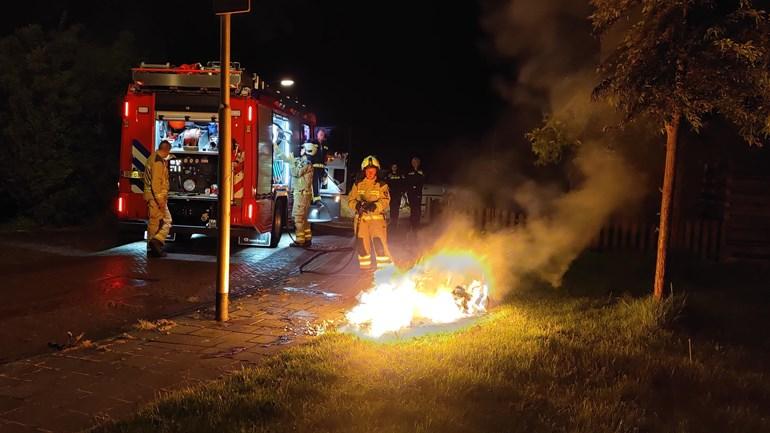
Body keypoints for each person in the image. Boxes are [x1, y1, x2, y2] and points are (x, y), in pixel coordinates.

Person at [348, 156, 393, 270]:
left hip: (377, 222)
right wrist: (357, 206)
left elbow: (385, 201)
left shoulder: (382, 185)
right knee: (362, 249)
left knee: (380, 248)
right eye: (367, 170)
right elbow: (351, 200)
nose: (370, 173)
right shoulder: (358, 184)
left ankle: (383, 274)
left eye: (372, 170)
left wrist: (375, 206)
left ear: (376, 170)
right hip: (361, 222)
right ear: (364, 171)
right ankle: (365, 273)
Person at [275, 141, 314, 247]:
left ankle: (300, 240)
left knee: (298, 217)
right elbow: (286, 159)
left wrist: (292, 163)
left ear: (306, 151)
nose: (300, 150)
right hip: (303, 194)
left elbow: (296, 172)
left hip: (302, 195)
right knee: (304, 218)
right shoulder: (302, 162)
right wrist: (276, 147)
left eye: (302, 149)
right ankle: (307, 239)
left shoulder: (307, 164)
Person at [144, 140, 173, 257]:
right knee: (167, 220)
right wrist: (160, 200)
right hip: (156, 198)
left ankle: (152, 248)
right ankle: (156, 242)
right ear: (165, 150)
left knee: (154, 222)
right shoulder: (158, 162)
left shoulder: (153, 158)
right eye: (168, 152)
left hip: (153, 197)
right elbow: (156, 183)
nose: (168, 154)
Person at [309, 128, 329, 203]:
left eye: (323, 135)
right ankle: (315, 199)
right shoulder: (312, 142)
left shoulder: (325, 145)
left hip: (322, 167)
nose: (322, 136)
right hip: (314, 167)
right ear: (317, 134)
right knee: (315, 183)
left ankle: (316, 197)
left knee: (320, 183)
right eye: (320, 134)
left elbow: (326, 155)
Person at [406, 156, 425, 230]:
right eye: (413, 162)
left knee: (417, 209)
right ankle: (412, 225)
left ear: (419, 163)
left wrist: (417, 187)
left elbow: (422, 180)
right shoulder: (409, 171)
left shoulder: (421, 171)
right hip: (411, 193)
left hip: (418, 193)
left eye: (416, 162)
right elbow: (407, 181)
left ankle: (417, 225)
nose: (415, 163)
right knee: (412, 209)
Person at [385, 162, 406, 228]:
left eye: (395, 167)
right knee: (392, 208)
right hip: (391, 194)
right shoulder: (389, 175)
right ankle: (392, 221)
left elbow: (403, 183)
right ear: (391, 167)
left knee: (396, 208)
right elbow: (386, 184)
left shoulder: (400, 175)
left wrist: (402, 191)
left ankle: (395, 221)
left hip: (398, 194)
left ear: (397, 168)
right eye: (393, 167)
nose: (394, 168)